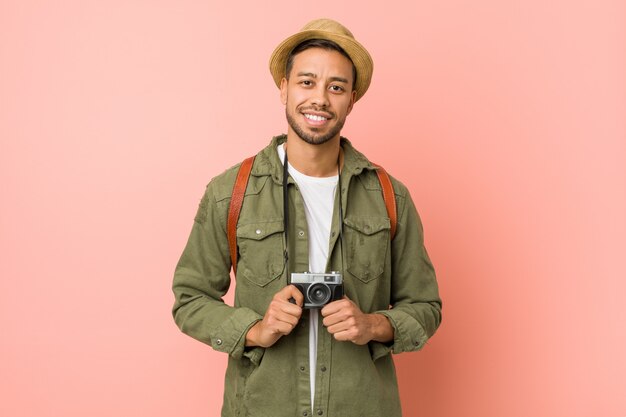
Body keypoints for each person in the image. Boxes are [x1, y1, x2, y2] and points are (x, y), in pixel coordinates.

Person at [172, 18, 442, 417]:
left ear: (352, 99)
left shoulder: (389, 196)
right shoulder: (231, 192)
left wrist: (371, 325)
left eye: (336, 87)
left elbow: (426, 306)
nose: (320, 98)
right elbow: (189, 299)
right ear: (283, 88)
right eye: (306, 82)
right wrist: (255, 329)